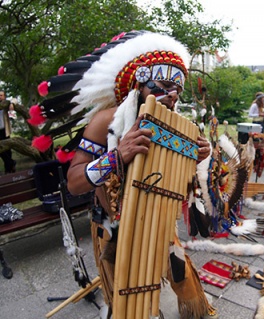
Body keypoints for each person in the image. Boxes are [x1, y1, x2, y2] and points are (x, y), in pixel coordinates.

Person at [33, 31, 214, 318]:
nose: (173, 96)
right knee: (128, 300)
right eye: (165, 86)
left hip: (157, 220)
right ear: (140, 82)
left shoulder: (173, 125)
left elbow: (179, 182)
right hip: (113, 227)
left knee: (184, 280)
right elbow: (74, 183)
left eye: (177, 91)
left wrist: (197, 159)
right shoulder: (106, 119)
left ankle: (197, 312)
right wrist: (116, 156)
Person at [0, 90, 16, 174]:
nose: (0, 97)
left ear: (4, 96)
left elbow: (14, 100)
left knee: (8, 149)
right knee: (1, 150)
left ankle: (8, 169)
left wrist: (11, 104)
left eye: (1, 95)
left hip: (5, 130)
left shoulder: (6, 104)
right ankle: (11, 163)